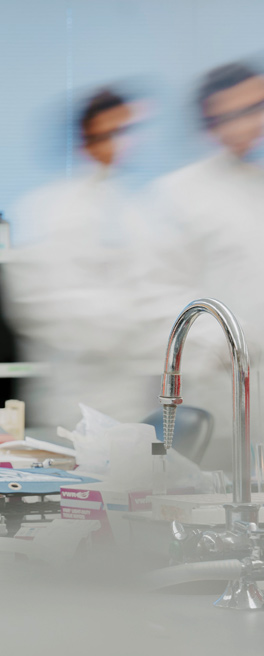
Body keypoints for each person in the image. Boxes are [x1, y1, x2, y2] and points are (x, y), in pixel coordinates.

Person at [2, 87, 175, 428]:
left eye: (126, 132)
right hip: (76, 393)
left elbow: (156, 288)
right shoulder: (46, 209)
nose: (121, 143)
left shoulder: (135, 208)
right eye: (110, 133)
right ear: (86, 138)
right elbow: (45, 308)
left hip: (134, 392)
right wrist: (129, 322)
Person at [153, 61, 264, 467]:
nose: (253, 122)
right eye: (237, 113)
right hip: (216, 390)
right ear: (210, 122)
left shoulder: (257, 183)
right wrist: (229, 343)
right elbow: (160, 295)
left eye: (258, 106)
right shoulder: (178, 195)